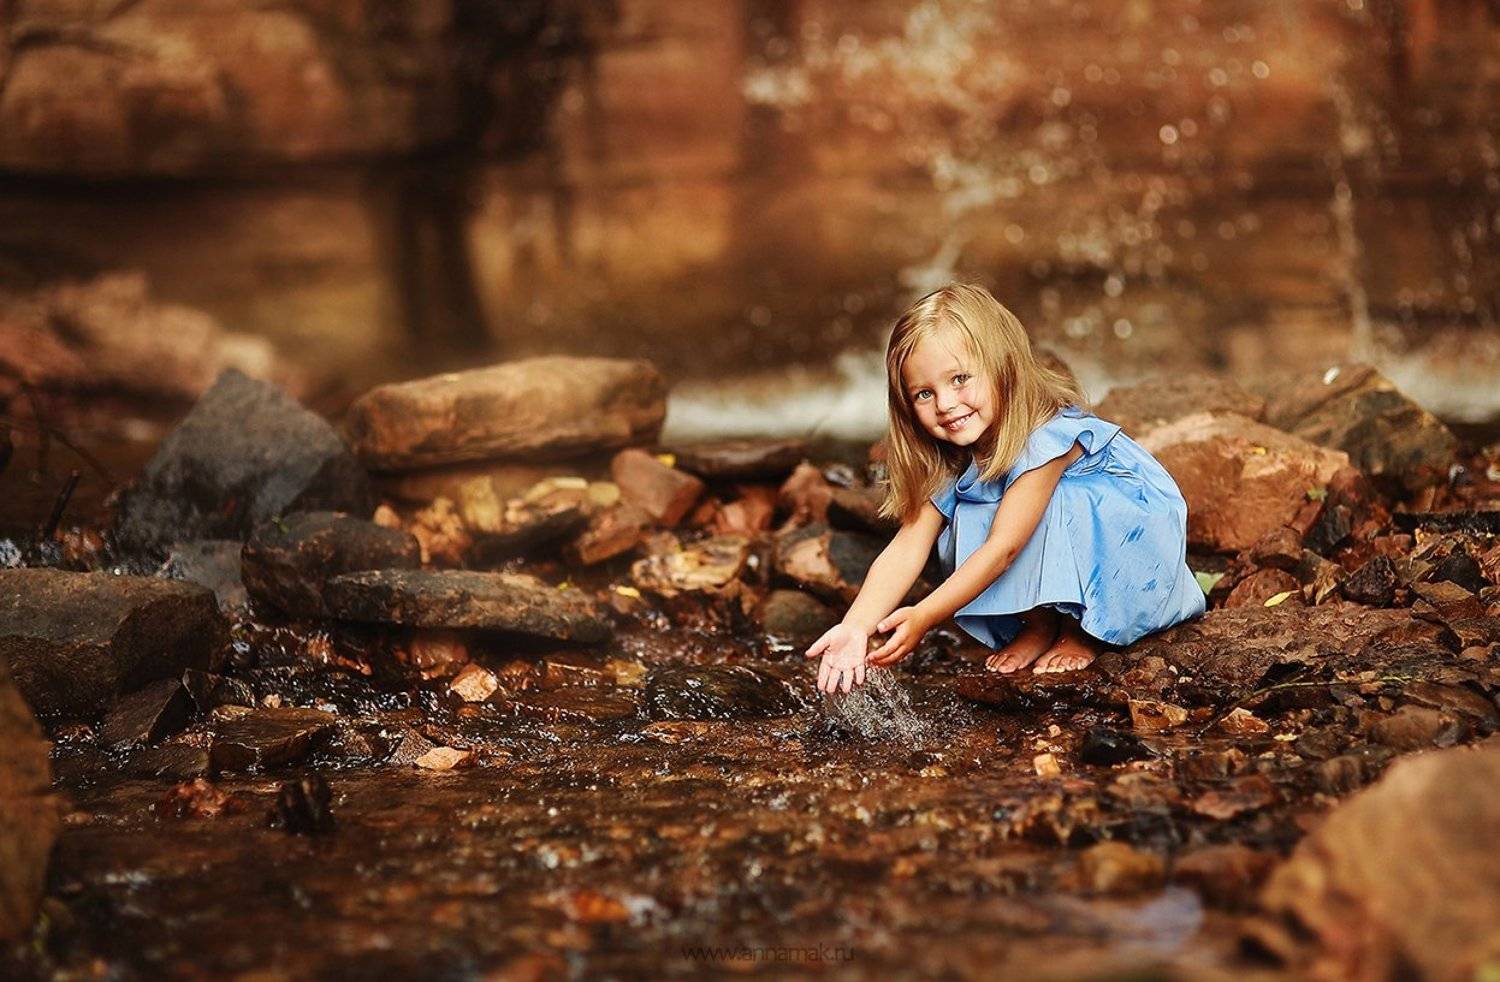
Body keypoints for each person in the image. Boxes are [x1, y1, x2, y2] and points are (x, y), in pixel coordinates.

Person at [805, 283, 1205, 694]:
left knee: (1055, 502)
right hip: (1055, 538)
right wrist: (856, 625)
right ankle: (1039, 622)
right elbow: (909, 544)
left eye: (959, 379)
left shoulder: (1045, 438)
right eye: (924, 393)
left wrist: (924, 615)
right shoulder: (951, 456)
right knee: (972, 508)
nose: (945, 404)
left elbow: (1004, 550)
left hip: (1129, 545)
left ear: (1003, 367)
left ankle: (1082, 630)